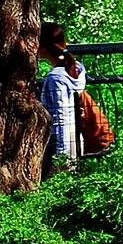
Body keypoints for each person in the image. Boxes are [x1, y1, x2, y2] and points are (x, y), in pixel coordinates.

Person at [38, 22, 86, 169]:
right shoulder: (76, 70)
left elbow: (60, 116)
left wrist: (61, 156)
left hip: (59, 144)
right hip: (76, 140)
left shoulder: (56, 78)